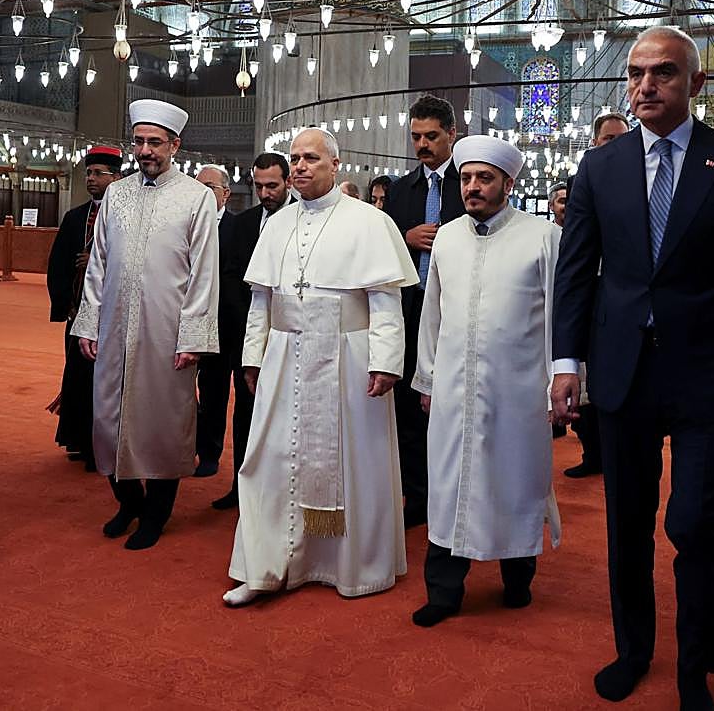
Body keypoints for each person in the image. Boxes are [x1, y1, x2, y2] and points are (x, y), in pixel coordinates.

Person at [551, 26, 714, 710]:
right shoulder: (601, 167)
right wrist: (566, 362)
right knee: (627, 521)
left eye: (662, 73)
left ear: (696, 84)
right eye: (635, 73)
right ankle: (633, 649)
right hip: (623, 370)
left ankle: (695, 667)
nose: (645, 85)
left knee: (693, 520)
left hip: (708, 373)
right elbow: (576, 275)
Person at [223, 127, 417, 607]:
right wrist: (253, 356)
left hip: (348, 357)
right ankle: (267, 564)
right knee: (270, 459)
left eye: (311, 157)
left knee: (354, 459)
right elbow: (261, 301)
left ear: (336, 163)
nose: (300, 166)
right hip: (285, 357)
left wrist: (387, 362)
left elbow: (386, 303)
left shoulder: (370, 222)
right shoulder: (277, 224)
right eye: (295, 158)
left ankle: (352, 568)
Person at [411, 134, 562, 627]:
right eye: (467, 178)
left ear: (508, 183)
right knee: (449, 484)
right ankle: (443, 592)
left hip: (518, 391)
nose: (473, 187)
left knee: (515, 481)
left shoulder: (543, 236)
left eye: (485, 178)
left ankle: (517, 580)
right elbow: (431, 315)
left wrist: (560, 381)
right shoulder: (448, 236)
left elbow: (560, 317)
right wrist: (427, 379)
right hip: (454, 388)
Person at [72, 99, 220, 550]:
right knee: (107, 420)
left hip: (167, 334)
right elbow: (97, 263)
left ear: (175, 145)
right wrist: (90, 323)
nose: (145, 150)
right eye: (138, 141)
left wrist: (193, 337)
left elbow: (204, 274)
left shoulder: (196, 198)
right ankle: (128, 502)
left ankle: (155, 515)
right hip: (114, 329)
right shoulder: (116, 194)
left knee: (162, 426)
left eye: (155, 142)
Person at [382, 93, 465, 528]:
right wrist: (405, 237)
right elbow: (382, 249)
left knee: (451, 407)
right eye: (415, 136)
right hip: (409, 311)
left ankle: (453, 492)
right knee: (410, 408)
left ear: (453, 134)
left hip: (457, 311)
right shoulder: (400, 190)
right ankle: (417, 495)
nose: (422, 145)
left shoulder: (467, 183)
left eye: (431, 136)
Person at [211, 153, 296, 511]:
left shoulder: (301, 220)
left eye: (272, 186)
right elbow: (230, 274)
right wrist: (249, 320)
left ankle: (281, 494)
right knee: (245, 411)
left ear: (288, 183)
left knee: (285, 415)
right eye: (259, 186)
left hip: (291, 335)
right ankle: (241, 487)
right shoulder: (244, 224)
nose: (265, 193)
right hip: (246, 335)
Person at [559, 115, 628, 479]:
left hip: (627, 300)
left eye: (621, 138)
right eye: (607, 138)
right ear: (594, 142)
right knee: (586, 380)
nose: (614, 144)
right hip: (591, 295)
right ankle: (593, 450)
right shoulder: (583, 181)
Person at [46, 146, 122, 469]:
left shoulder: (124, 216)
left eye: (98, 174)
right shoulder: (75, 217)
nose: (91, 179)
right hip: (79, 313)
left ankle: (103, 446)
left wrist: (98, 262)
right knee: (76, 374)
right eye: (88, 173)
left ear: (116, 177)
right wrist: (63, 304)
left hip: (114, 315)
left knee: (105, 380)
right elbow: (57, 263)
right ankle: (77, 438)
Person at [193, 164, 236, 477]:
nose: (202, 194)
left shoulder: (238, 228)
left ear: (226, 194)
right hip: (187, 322)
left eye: (209, 187)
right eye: (198, 187)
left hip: (224, 326)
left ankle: (209, 453)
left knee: (214, 392)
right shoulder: (185, 224)